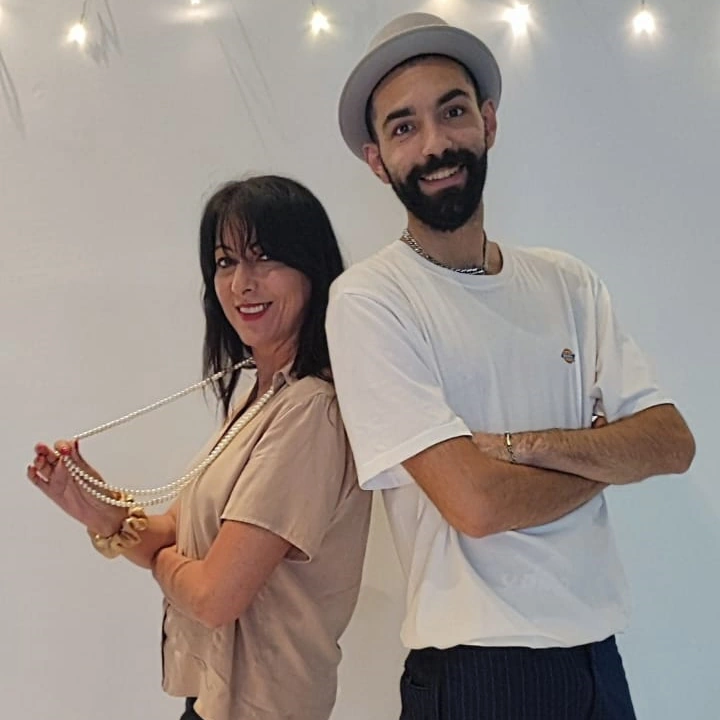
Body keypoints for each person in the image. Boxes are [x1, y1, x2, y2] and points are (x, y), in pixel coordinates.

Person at [327, 12, 696, 719]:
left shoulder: (568, 283)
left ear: (488, 122)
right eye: (404, 127)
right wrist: (603, 461)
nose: (436, 144)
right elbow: (477, 505)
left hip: (599, 661)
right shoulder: (372, 300)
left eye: (453, 112)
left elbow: (671, 443)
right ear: (377, 160)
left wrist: (517, 447)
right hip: (479, 674)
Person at [26, 175, 372, 720]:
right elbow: (175, 530)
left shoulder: (310, 411)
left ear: (312, 268)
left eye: (264, 258)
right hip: (217, 700)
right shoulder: (262, 396)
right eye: (225, 262)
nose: (242, 283)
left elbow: (214, 597)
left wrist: (157, 558)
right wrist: (98, 510)